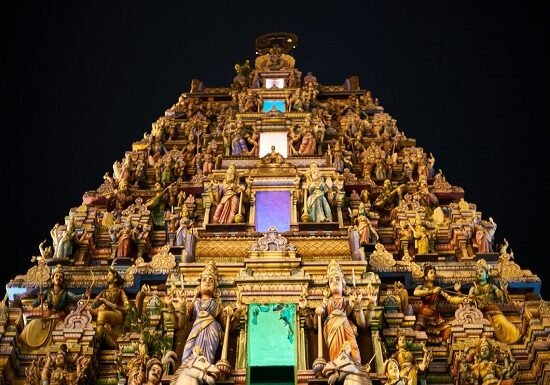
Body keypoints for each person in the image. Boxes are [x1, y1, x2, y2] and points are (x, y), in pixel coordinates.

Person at [299, 259, 366, 363]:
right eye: (331, 280)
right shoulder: (327, 302)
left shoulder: (348, 301)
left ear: (343, 286)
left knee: (353, 352)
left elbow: (362, 324)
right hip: (331, 329)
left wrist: (357, 304)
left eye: (338, 279)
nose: (334, 281)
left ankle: (355, 364)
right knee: (336, 354)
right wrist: (310, 311)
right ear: (328, 287)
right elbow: (315, 326)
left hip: (346, 327)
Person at [181, 262, 244, 365]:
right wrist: (182, 306)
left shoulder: (218, 306)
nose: (207, 282)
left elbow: (229, 327)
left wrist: (238, 312)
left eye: (211, 281)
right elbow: (181, 324)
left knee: (206, 360)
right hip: (196, 330)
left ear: (215, 288)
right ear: (199, 285)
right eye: (204, 280)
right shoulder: (193, 303)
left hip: (211, 331)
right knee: (188, 359)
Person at [19, 265, 84, 349]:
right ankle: (24, 342)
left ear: (63, 280)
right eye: (56, 276)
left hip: (59, 318)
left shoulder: (65, 292)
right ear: (52, 279)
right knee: (34, 323)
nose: (58, 278)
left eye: (61, 277)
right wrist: (39, 298)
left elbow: (75, 298)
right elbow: (35, 304)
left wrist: (84, 295)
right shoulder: (48, 292)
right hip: (47, 318)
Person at [468, 260, 522, 344]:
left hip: (494, 310)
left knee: (503, 323)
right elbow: (468, 300)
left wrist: (503, 289)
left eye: (481, 271)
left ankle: (515, 336)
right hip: (480, 314)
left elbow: (502, 299)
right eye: (477, 273)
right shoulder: (473, 288)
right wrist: (470, 297)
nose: (479, 274)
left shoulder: (492, 287)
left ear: (487, 274)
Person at [413, 264, 462, 344]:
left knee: (448, 329)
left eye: (434, 273)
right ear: (425, 277)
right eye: (431, 272)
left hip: (435, 316)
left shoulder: (438, 289)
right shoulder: (422, 287)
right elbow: (416, 292)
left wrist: (460, 294)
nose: (433, 274)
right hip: (423, 314)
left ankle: (443, 344)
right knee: (417, 332)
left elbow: (450, 299)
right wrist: (431, 292)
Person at [91, 267, 131, 348]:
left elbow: (128, 307)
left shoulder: (120, 291)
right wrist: (96, 298)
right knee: (103, 326)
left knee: (102, 314)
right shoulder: (103, 292)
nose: (107, 276)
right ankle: (105, 342)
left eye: (109, 274)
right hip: (106, 316)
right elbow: (93, 306)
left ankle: (97, 340)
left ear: (115, 279)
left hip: (118, 314)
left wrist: (106, 302)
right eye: (107, 275)